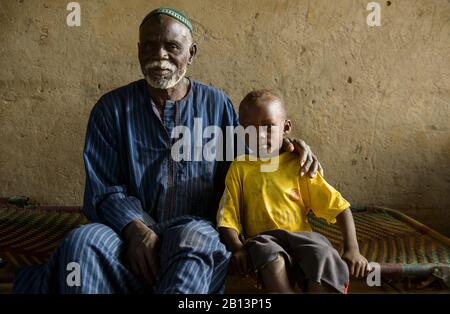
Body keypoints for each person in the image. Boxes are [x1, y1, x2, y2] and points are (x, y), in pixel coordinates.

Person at [13, 8, 321, 294]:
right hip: (124, 234)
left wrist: (290, 149)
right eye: (148, 46)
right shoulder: (111, 109)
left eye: (171, 47)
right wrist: (136, 230)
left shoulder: (218, 106)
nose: (159, 55)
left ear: (191, 53)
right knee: (81, 244)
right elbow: (103, 189)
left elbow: (250, 164)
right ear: (138, 50)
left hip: (194, 229)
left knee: (196, 242)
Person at [217, 90, 370, 293]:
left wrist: (353, 249)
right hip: (264, 239)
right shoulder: (240, 168)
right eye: (249, 129)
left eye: (268, 126)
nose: (260, 135)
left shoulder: (299, 165)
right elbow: (227, 217)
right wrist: (238, 249)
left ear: (286, 127)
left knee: (324, 253)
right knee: (269, 255)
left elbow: (339, 207)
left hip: (303, 238)